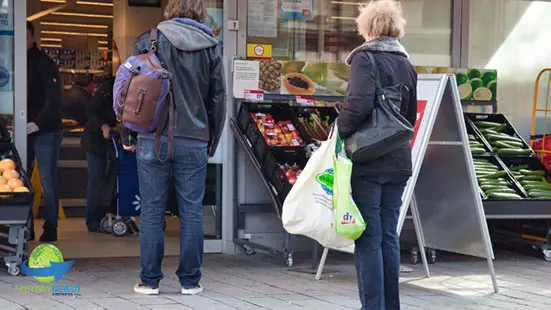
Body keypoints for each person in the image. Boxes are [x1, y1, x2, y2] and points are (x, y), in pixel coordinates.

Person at [131, 0, 226, 296]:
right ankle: (190, 281)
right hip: (194, 139)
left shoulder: (148, 41)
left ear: (170, 9)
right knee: (192, 211)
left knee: (151, 210)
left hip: (152, 138)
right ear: (200, 11)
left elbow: (129, 92)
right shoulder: (210, 46)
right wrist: (212, 139)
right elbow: (218, 98)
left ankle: (149, 281)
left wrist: (129, 132)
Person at [337, 1, 417, 309]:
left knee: (368, 237)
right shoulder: (406, 63)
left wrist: (338, 132)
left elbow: (357, 104)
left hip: (369, 160)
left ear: (368, 28)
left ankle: (372, 306)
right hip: (398, 159)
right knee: (388, 236)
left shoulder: (365, 58)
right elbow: (407, 117)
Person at [26, 21, 63, 242]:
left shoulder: (45, 64)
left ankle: (50, 226)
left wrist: (38, 123)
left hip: (46, 130)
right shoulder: (14, 62)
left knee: (48, 180)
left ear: (32, 38)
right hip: (25, 127)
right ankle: (25, 225)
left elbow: (54, 99)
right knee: (23, 181)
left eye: (26, 37)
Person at [81, 76, 117, 232]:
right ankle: (93, 219)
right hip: (95, 140)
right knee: (96, 179)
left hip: (109, 141)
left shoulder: (119, 89)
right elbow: (90, 111)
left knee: (106, 180)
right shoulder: (106, 91)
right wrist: (103, 126)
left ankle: (101, 217)